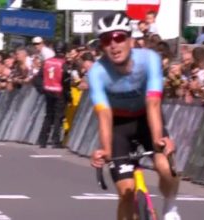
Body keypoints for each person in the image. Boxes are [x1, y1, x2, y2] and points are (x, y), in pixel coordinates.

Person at [87, 12, 180, 220]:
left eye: (119, 37)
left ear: (130, 39)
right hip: (118, 126)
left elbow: (153, 103)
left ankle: (170, 206)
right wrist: (105, 151)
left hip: (146, 118)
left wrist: (158, 140)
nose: (113, 44)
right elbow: (104, 114)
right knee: (125, 192)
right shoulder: (96, 72)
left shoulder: (149, 60)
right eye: (106, 40)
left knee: (165, 166)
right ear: (101, 45)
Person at [35, 41, 71, 149]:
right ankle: (55, 140)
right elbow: (66, 81)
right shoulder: (64, 63)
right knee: (58, 116)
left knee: (48, 115)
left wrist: (42, 89)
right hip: (59, 92)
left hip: (48, 91)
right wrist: (68, 94)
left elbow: (37, 78)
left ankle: (42, 140)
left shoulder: (47, 62)